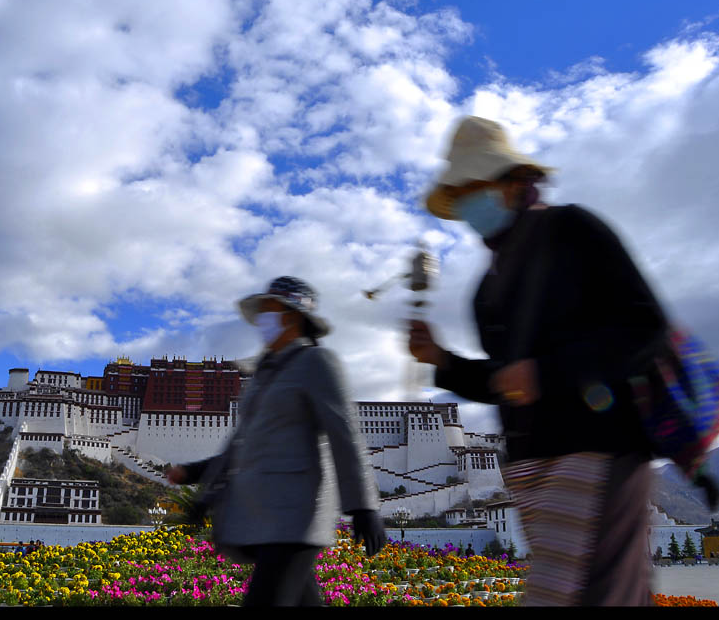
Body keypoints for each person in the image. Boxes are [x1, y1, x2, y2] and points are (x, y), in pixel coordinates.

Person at [410, 116, 669, 606]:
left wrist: (545, 373)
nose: (468, 200)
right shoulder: (488, 288)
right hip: (533, 467)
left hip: (600, 448)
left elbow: (644, 326)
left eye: (475, 185)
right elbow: (503, 383)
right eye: (459, 191)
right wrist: (441, 360)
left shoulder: (573, 229)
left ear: (513, 182)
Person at [167, 276, 385, 607]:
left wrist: (363, 506)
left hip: (296, 514)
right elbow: (243, 444)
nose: (263, 319)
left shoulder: (317, 362)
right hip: (262, 517)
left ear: (292, 316)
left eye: (270, 309)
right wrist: (196, 476)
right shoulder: (264, 374)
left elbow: (344, 431)